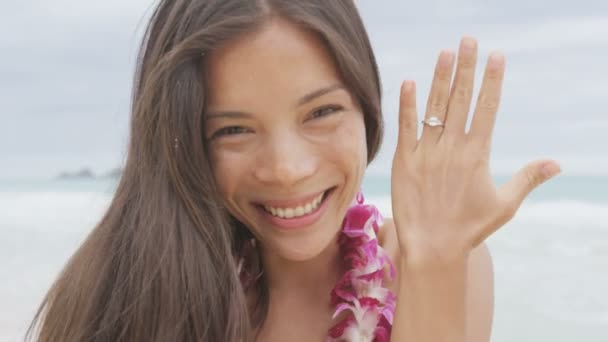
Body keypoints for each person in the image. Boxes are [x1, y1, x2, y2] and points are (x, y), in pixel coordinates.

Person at [26, 1, 561, 341]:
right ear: (185, 139)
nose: (287, 169)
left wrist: (438, 258)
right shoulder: (133, 289)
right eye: (234, 130)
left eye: (321, 112)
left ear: (365, 107)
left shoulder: (443, 263)